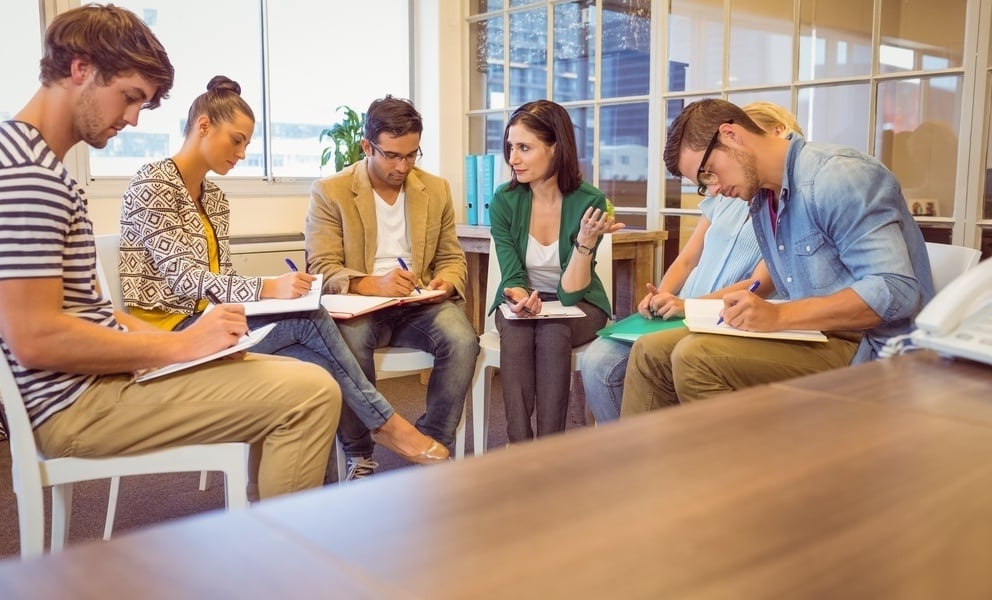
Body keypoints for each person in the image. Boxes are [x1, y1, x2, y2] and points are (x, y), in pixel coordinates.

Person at [0, 3, 341, 501]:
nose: (133, 119)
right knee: (310, 395)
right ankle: (280, 566)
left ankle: (276, 540)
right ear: (80, 69)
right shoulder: (30, 178)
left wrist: (194, 344)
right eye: (130, 98)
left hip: (94, 383)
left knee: (303, 377)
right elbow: (35, 337)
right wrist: (179, 347)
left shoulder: (32, 162)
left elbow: (90, 312)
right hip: (79, 403)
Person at [119, 77, 448, 479]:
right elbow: (187, 278)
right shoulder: (154, 183)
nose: (241, 153)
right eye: (236, 141)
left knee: (317, 374)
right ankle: (388, 425)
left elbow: (221, 279)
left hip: (216, 323)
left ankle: (322, 501)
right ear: (203, 126)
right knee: (306, 318)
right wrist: (267, 288)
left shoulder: (214, 198)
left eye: (246, 144)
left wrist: (278, 292)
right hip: (171, 332)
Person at [620, 98, 935, 415]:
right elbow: (763, 282)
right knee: (650, 350)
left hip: (868, 347)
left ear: (731, 135)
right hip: (815, 337)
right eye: (703, 185)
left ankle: (759, 463)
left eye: (708, 174)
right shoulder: (763, 198)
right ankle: (657, 464)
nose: (713, 190)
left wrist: (779, 317)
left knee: (695, 357)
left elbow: (897, 290)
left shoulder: (838, 176)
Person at [583, 101, 800, 423]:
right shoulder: (722, 199)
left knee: (643, 363)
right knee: (597, 359)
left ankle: (644, 451)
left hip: (715, 313)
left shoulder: (779, 203)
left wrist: (690, 306)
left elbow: (761, 284)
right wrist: (661, 296)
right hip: (683, 307)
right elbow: (686, 260)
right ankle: (623, 450)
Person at [306, 95, 479, 477]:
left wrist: (445, 284)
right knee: (347, 344)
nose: (402, 166)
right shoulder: (330, 191)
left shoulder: (434, 189)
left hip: (419, 303)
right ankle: (360, 452)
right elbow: (321, 266)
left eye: (412, 155)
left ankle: (433, 444)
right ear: (367, 146)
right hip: (360, 304)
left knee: (464, 339)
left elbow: (452, 257)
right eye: (392, 156)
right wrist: (372, 283)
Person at [489, 100, 622, 443]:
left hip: (580, 305)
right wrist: (519, 299)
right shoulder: (504, 200)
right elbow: (512, 274)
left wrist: (585, 243)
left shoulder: (588, 200)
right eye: (510, 147)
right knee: (518, 332)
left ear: (555, 148)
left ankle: (549, 449)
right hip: (521, 301)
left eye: (524, 148)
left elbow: (571, 293)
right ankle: (519, 445)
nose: (512, 158)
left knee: (552, 332)